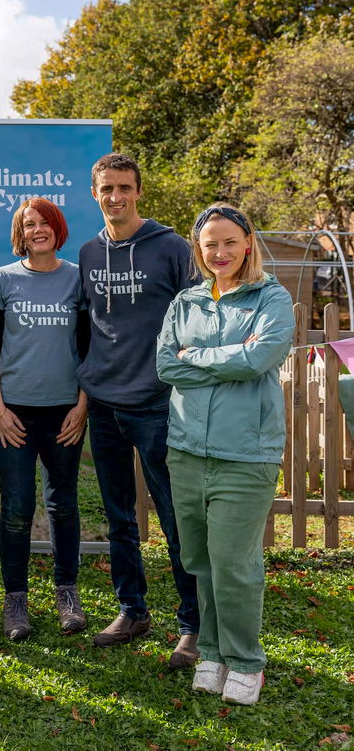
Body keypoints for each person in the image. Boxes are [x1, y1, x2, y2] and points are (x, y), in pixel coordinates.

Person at [157, 203, 294, 705]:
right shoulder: (185, 302)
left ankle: (245, 661)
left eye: (230, 241)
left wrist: (200, 357)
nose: (220, 252)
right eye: (210, 243)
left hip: (245, 453)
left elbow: (261, 356)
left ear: (248, 244)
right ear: (199, 249)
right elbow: (166, 366)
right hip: (187, 449)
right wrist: (229, 359)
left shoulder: (271, 298)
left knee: (234, 564)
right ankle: (211, 650)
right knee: (200, 559)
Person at [77, 152, 199, 668]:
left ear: (138, 191)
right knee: (118, 516)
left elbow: (198, 317)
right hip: (105, 405)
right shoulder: (87, 253)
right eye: (107, 189)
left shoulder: (171, 248)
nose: (115, 197)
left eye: (124, 187)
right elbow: (87, 327)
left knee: (175, 518)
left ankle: (193, 623)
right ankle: (133, 610)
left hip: (157, 404)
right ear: (95, 194)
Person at [0, 198, 88, 642]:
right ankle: (15, 600)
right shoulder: (3, 280)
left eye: (45, 223)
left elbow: (90, 349)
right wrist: (0, 411)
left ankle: (67, 594)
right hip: (15, 415)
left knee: (63, 505)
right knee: (18, 509)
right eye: (29, 224)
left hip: (65, 413)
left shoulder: (78, 280)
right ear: (19, 232)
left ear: (57, 228)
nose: (37, 230)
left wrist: (83, 406)